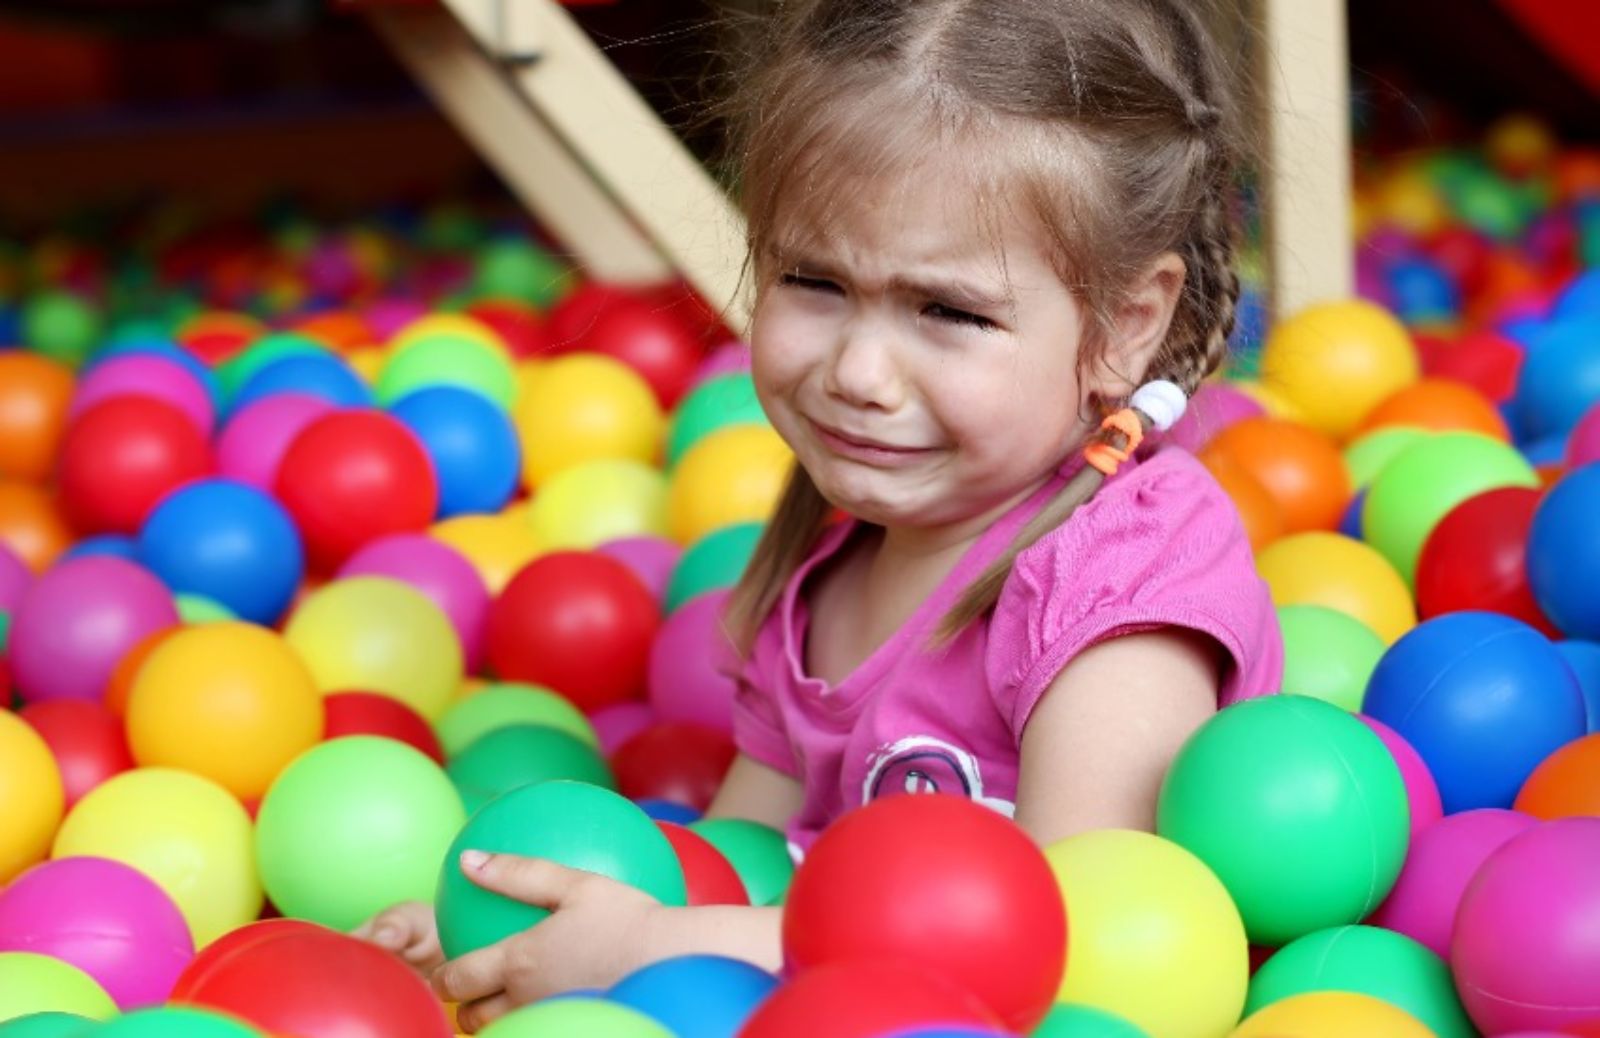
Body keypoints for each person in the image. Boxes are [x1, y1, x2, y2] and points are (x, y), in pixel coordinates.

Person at [357, 0, 1283, 1028]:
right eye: (812, 281)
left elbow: (1067, 932)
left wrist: (648, 949)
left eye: (949, 311)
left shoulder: (1121, 572)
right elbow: (737, 870)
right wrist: (536, 930)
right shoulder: (829, 568)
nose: (858, 372)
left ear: (1126, 325)